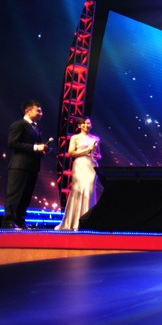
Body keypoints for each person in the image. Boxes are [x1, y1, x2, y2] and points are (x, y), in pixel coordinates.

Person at [3, 99, 51, 230]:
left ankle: (20, 220)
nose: (41, 113)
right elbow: (12, 143)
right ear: (28, 111)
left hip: (32, 166)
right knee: (15, 194)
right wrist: (35, 147)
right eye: (38, 111)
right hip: (19, 166)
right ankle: (8, 221)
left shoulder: (35, 128)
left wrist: (42, 151)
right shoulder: (19, 124)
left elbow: (34, 148)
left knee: (26, 195)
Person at [55, 117, 101, 231]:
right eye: (83, 124)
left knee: (89, 191)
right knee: (78, 190)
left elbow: (99, 154)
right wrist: (87, 150)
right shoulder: (75, 137)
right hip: (80, 164)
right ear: (79, 126)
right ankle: (75, 222)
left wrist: (96, 156)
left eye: (88, 123)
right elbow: (71, 153)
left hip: (92, 165)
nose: (86, 125)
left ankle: (88, 221)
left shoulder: (96, 138)